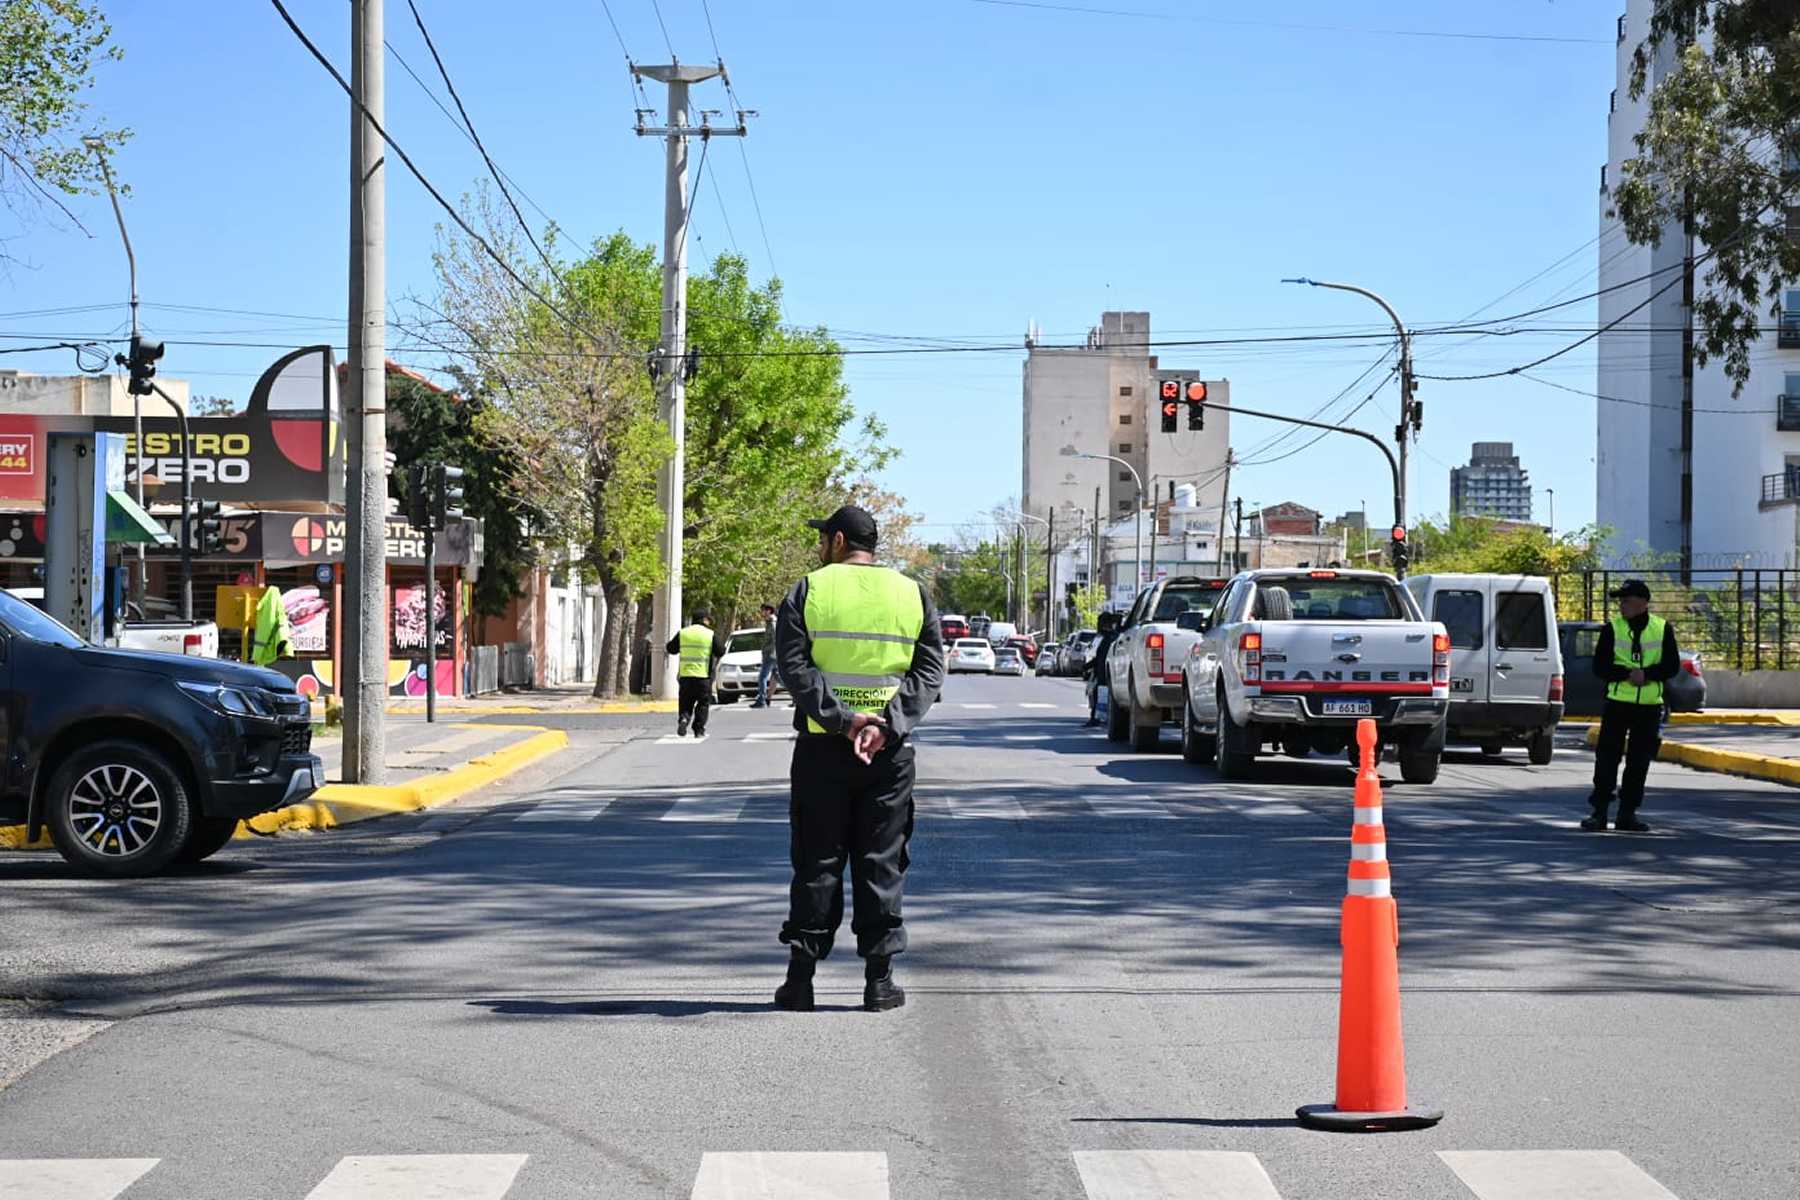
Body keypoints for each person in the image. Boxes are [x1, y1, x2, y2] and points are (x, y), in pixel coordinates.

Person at [772, 504, 944, 1013]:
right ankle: (878, 982)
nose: (821, 546)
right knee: (881, 862)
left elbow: (794, 666)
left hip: (823, 749)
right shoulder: (912, 593)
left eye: (825, 537)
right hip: (888, 755)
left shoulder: (809, 589)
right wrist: (886, 724)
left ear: (841, 541)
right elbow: (930, 669)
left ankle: (800, 981)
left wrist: (843, 721)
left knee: (817, 860)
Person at [1585, 579, 1680, 833]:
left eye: (1626, 601)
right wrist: (1627, 673)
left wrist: (1647, 674)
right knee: (1607, 759)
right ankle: (1600, 813)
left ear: (1642, 603)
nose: (1621, 606)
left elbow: (1672, 666)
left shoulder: (1661, 628)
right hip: (1618, 704)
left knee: (1639, 762)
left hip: (1649, 707)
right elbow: (1600, 667)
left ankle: (1627, 814)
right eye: (1620, 601)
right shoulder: (1612, 629)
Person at [666, 610, 725, 738]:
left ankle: (684, 719)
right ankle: (698, 730)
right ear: (704, 620)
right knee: (703, 703)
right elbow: (721, 650)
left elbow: (671, 648)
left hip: (685, 676)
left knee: (686, 702)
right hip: (703, 676)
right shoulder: (709, 634)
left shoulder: (683, 633)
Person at [1083, 610, 1122, 727]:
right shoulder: (1110, 637)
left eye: (1100, 623)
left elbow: (1102, 658)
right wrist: (1088, 666)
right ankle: (1097, 717)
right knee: (1099, 695)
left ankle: (1097, 718)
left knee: (1100, 695)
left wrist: (1088, 666)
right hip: (1103, 672)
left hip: (1105, 674)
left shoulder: (1109, 638)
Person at [750, 602, 779, 707]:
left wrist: (770, 652)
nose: (761, 613)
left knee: (762, 677)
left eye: (763, 610)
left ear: (768, 611)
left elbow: (775, 639)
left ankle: (761, 700)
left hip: (771, 654)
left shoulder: (772, 622)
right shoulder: (770, 622)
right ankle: (796, 697)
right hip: (773, 654)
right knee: (778, 677)